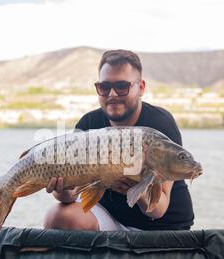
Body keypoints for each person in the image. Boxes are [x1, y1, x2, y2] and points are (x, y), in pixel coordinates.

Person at [44, 49, 194, 231]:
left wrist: (137, 192)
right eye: (104, 87)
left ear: (141, 88)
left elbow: (158, 209)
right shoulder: (89, 124)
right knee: (58, 216)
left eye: (122, 86)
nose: (112, 94)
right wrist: (62, 190)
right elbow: (71, 196)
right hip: (110, 219)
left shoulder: (159, 125)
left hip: (162, 228)